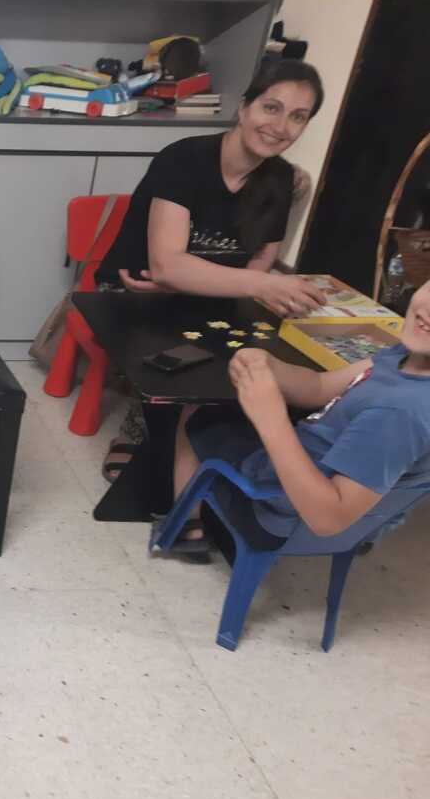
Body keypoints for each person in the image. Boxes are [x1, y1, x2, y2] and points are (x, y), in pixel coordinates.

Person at [96, 59, 328, 482]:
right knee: (180, 350)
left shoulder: (283, 179)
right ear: (244, 106)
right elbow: (166, 266)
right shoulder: (184, 159)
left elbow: (259, 262)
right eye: (271, 108)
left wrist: (261, 287)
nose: (280, 126)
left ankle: (211, 445)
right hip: (134, 291)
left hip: (210, 294)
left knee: (265, 350)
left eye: (298, 117)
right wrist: (256, 284)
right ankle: (139, 431)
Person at [159, 281, 430, 560]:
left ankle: (186, 528)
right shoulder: (407, 356)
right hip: (307, 469)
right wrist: (271, 366)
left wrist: (270, 417)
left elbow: (328, 519)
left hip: (275, 514)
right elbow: (320, 387)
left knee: (199, 410)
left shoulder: (400, 414)